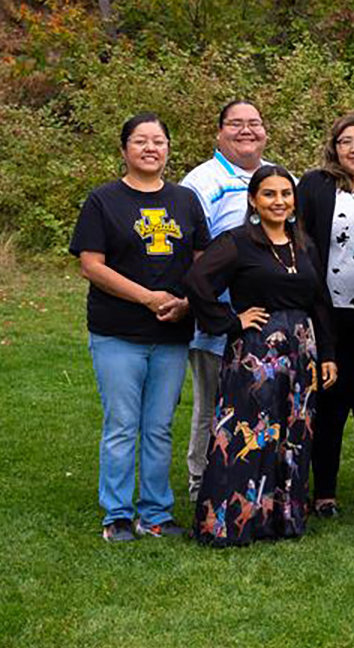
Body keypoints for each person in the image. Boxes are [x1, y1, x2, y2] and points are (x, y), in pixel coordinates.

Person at [69, 112, 210, 542]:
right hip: (118, 332)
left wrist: (188, 302)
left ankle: (155, 513)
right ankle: (116, 514)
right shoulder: (103, 201)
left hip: (171, 333)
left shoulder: (185, 200)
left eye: (159, 141)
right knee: (122, 424)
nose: (151, 148)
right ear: (124, 149)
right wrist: (146, 297)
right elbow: (91, 265)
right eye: (140, 141)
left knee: (158, 426)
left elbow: (202, 260)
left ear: (169, 148)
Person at [184, 166, 337, 546]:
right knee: (247, 433)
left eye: (286, 194)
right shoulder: (237, 241)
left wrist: (328, 354)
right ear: (253, 200)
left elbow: (319, 300)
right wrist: (230, 322)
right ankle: (233, 522)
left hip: (301, 350)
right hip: (256, 352)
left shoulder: (304, 244)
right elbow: (197, 281)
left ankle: (281, 518)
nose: (279, 201)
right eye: (269, 194)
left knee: (292, 432)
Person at [180, 100, 274, 503]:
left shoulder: (273, 176)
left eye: (254, 123)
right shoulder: (202, 181)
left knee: (255, 400)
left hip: (265, 317)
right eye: (236, 124)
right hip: (217, 314)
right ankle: (201, 484)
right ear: (218, 133)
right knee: (212, 402)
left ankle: (249, 479)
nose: (246, 131)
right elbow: (189, 251)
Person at [297, 114, 354, 520]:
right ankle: (325, 492)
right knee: (331, 403)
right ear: (334, 148)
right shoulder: (317, 186)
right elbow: (300, 241)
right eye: (346, 141)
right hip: (329, 310)